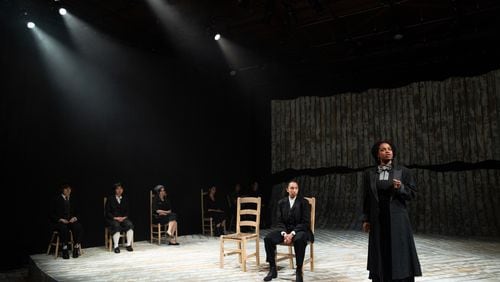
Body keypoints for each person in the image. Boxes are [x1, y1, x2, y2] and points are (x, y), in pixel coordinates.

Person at [362, 140, 422, 282]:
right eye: (383, 149)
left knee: (398, 251)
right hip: (378, 219)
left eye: (389, 149)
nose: (387, 151)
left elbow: (412, 194)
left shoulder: (403, 172)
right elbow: (367, 198)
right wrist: (366, 219)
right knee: (380, 251)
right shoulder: (369, 174)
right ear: (377, 154)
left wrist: (400, 188)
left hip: (398, 220)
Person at [263, 180, 313, 282]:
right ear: (287, 190)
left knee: (299, 239)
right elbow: (279, 221)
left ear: (298, 190)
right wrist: (285, 233)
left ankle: (299, 270)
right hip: (285, 231)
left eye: (296, 188)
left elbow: (305, 222)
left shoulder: (304, 202)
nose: (294, 190)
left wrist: (292, 233)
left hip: (300, 230)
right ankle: (273, 268)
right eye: (291, 188)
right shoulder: (281, 203)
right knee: (268, 238)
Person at [50, 184, 84, 259]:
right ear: (62, 190)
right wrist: (61, 219)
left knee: (79, 227)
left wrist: (75, 218)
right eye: (66, 189)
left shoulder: (73, 199)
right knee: (63, 228)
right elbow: (51, 214)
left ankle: (76, 247)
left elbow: (78, 213)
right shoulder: (57, 199)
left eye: (69, 189)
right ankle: (64, 249)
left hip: (70, 221)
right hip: (61, 222)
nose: (68, 190)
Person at [105, 183, 134, 253]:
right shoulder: (110, 199)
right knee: (116, 225)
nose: (119, 190)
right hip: (113, 219)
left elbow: (128, 211)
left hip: (123, 218)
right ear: (115, 190)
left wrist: (124, 217)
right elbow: (107, 212)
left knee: (129, 224)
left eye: (121, 189)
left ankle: (128, 245)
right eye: (117, 189)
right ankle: (116, 246)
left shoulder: (125, 199)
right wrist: (115, 218)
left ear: (122, 190)